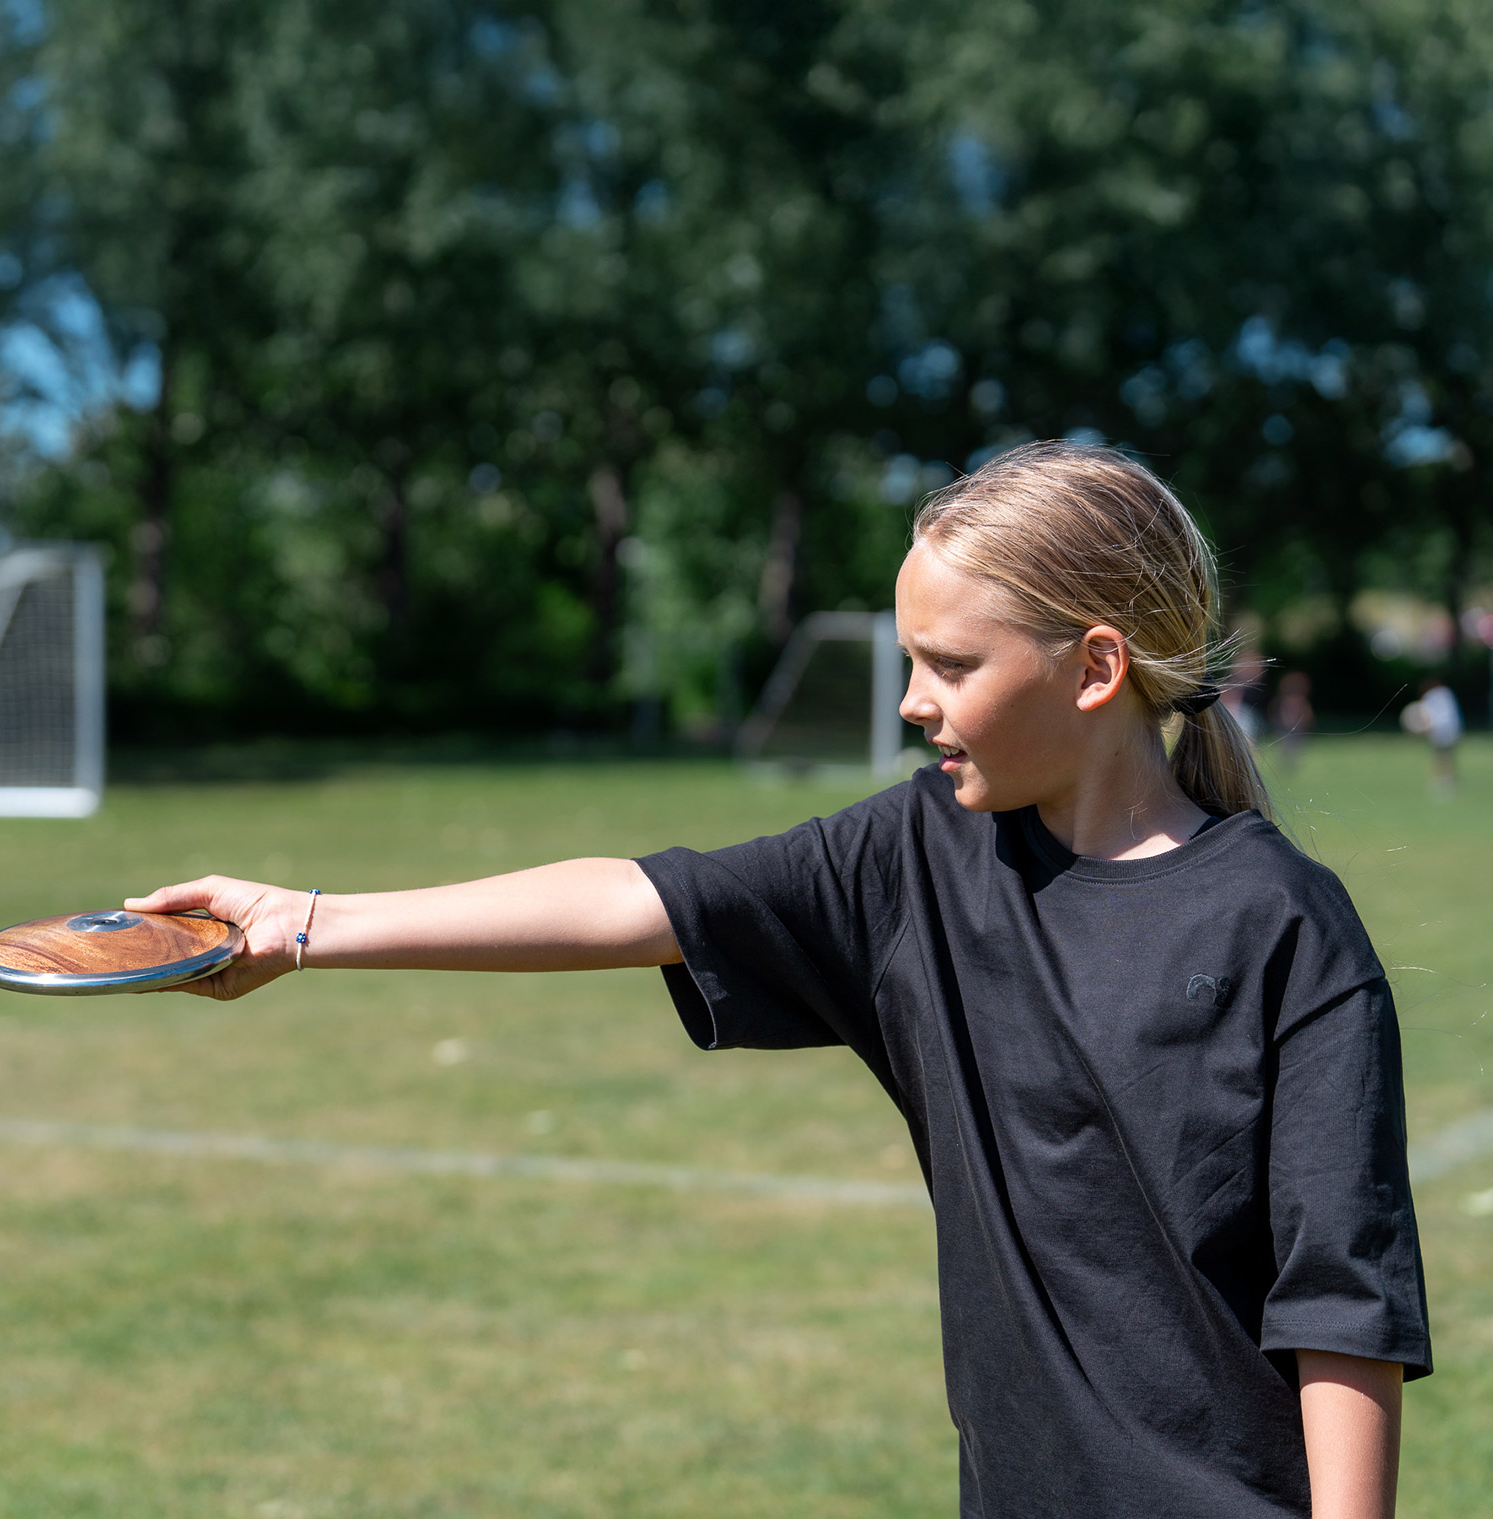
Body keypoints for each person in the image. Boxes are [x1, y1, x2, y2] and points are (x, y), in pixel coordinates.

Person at [128, 442, 1429, 1519]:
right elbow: (634, 897)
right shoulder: (923, 852)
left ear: (1094, 668)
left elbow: (1344, 1302)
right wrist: (301, 923)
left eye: (953, 666)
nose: (913, 701)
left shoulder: (1283, 924)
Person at [1400, 677, 1463, 798]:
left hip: (1439, 729)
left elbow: (1427, 716)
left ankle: (1441, 780)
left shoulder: (1430, 696)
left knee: (1439, 756)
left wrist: (1424, 729)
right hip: (1451, 729)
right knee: (1447, 755)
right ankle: (1448, 779)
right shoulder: (1446, 693)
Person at [1273, 668, 1314, 767]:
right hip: (1286, 727)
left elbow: (1307, 714)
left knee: (1295, 745)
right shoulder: (1284, 701)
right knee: (1285, 744)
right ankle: (1285, 762)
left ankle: (1291, 762)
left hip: (1297, 727)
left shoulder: (1301, 701)